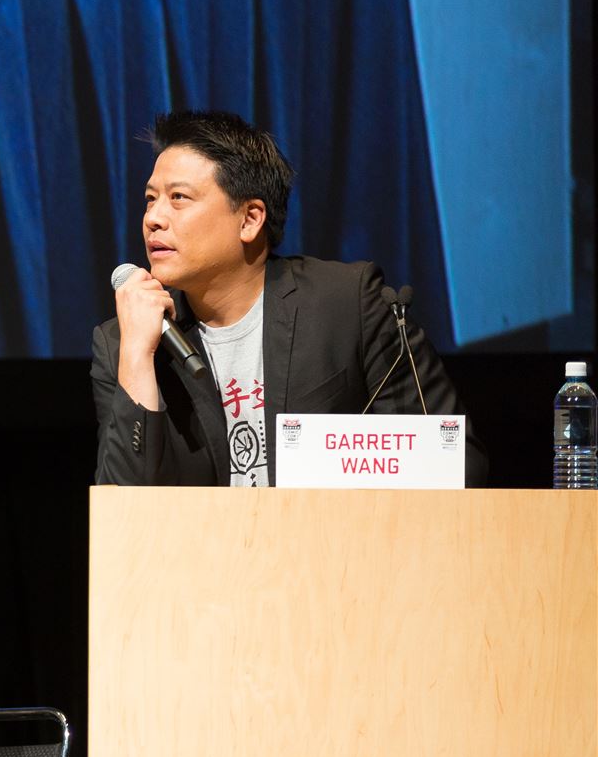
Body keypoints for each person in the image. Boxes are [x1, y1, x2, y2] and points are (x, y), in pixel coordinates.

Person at [91, 109, 487, 486]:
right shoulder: (122, 345)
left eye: (178, 197)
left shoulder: (347, 304)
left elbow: (455, 464)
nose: (153, 218)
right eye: (150, 198)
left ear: (250, 219)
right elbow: (124, 514)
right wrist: (137, 359)